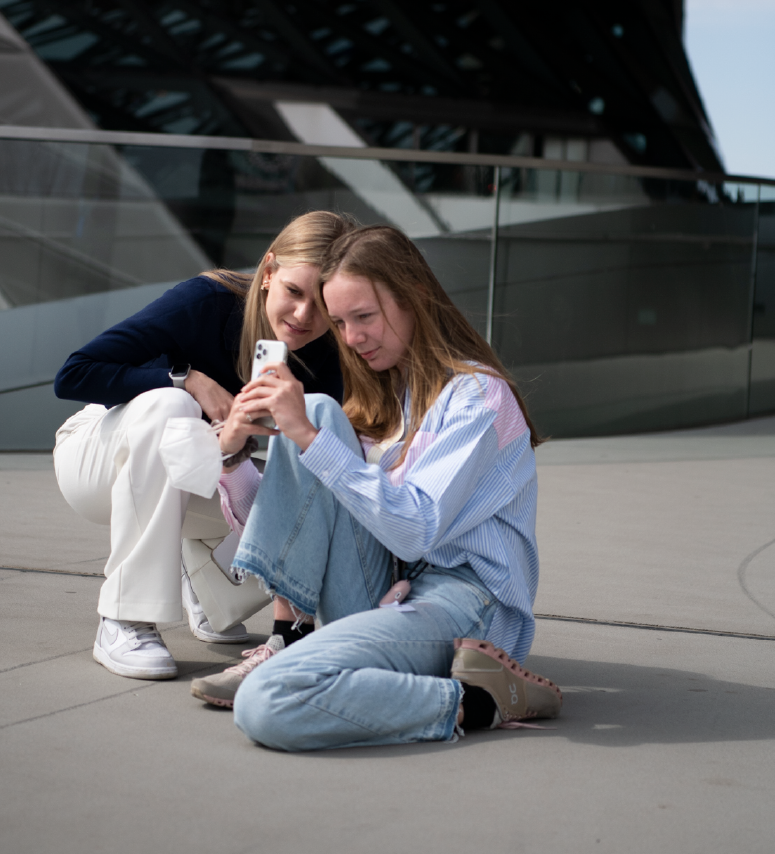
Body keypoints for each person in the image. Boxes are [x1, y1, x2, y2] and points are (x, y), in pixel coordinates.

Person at [189, 224, 562, 749]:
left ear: (415, 299)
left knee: (267, 701)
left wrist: (308, 437)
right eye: (339, 322)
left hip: (465, 607)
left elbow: (415, 530)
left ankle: (482, 699)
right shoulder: (386, 400)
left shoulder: (479, 398)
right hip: (386, 587)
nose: (351, 337)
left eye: (364, 316)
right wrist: (232, 452)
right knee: (318, 409)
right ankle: (289, 635)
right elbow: (290, 534)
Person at [52, 211, 354, 681]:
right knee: (171, 408)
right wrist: (188, 380)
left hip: (199, 472)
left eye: (322, 303)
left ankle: (209, 587)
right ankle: (123, 617)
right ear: (269, 271)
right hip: (98, 457)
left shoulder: (329, 350)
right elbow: (75, 373)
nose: (304, 317)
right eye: (294, 292)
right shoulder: (210, 301)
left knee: (310, 484)